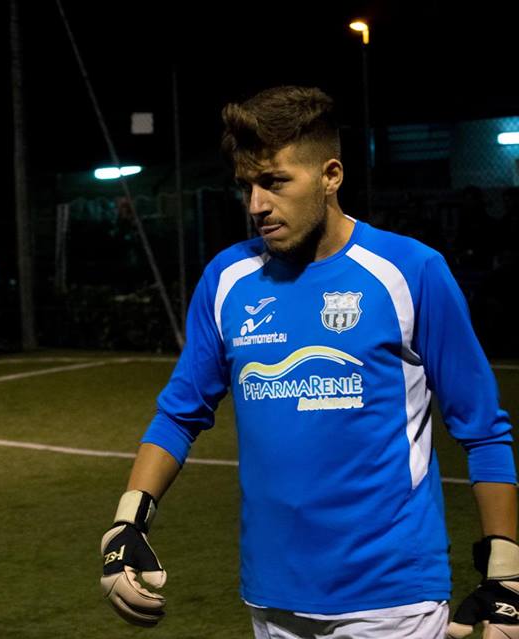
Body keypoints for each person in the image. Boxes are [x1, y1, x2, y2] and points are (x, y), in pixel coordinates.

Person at [99, 86, 518, 639]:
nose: (256, 205)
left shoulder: (410, 272)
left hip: (389, 598)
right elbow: (179, 413)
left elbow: (483, 429)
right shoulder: (227, 280)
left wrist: (507, 579)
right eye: (247, 186)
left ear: (331, 175)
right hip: (271, 597)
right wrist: (127, 522)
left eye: (274, 182)